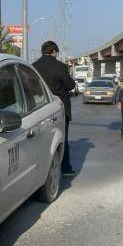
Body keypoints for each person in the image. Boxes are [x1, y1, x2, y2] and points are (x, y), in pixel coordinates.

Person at [33, 40, 77, 176]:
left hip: (38, 108)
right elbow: (70, 86)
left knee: (40, 140)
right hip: (59, 108)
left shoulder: (33, 66)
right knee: (62, 137)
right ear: (54, 52)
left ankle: (39, 170)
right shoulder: (60, 67)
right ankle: (65, 169)